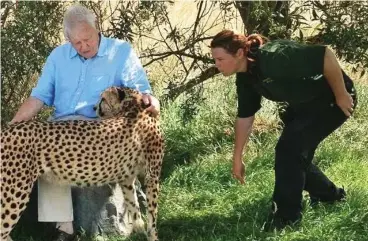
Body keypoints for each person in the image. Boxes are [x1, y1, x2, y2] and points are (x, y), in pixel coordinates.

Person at [10, 4, 160, 241]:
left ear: (96, 28)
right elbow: (39, 97)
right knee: (42, 144)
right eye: (76, 43)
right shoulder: (58, 56)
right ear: (68, 39)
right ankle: (65, 228)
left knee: (52, 144)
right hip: (62, 124)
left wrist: (151, 102)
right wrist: (13, 127)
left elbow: (140, 90)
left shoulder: (120, 51)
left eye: (87, 39)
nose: (84, 46)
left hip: (100, 128)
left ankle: (103, 223)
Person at [210, 30, 357, 230]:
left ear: (238, 54)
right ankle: (331, 197)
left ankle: (286, 219)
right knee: (294, 155)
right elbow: (245, 117)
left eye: (220, 59)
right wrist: (237, 158)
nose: (216, 65)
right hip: (305, 106)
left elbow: (325, 55)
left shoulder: (274, 57)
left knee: (290, 150)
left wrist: (341, 95)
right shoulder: (246, 77)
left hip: (335, 100)